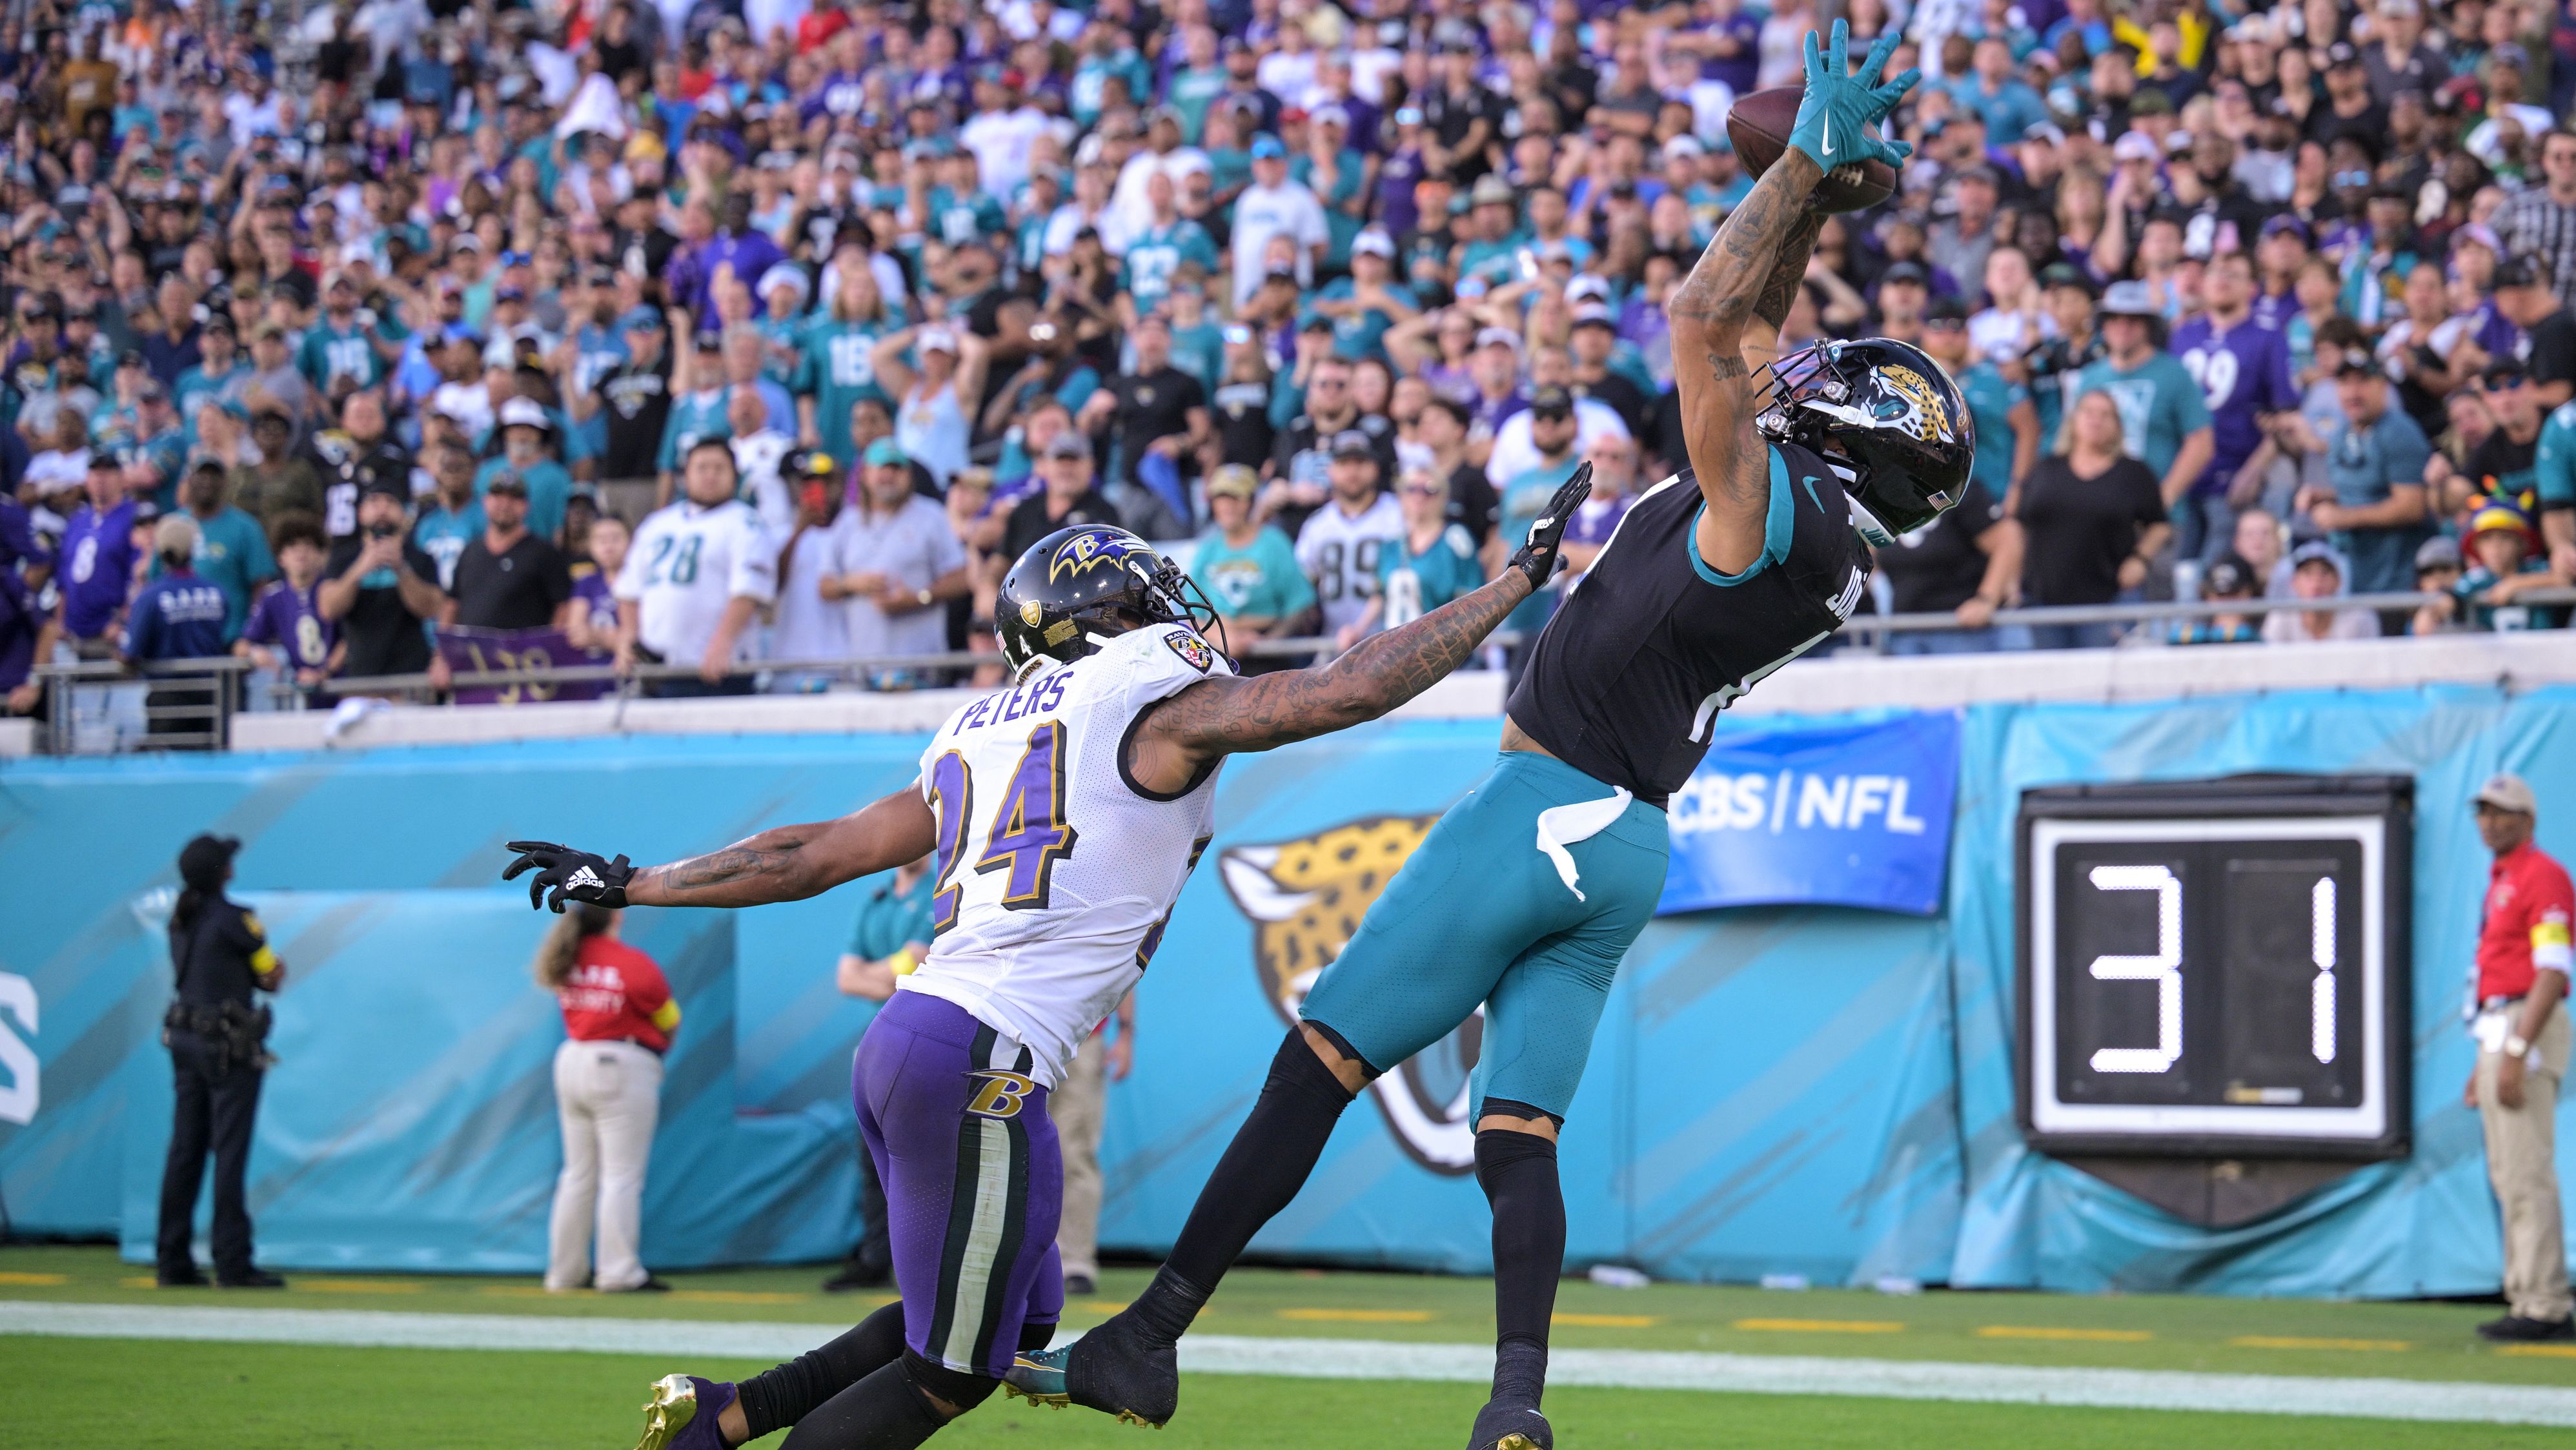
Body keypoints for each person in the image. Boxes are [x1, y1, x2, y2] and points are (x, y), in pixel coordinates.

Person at [1015, 31, 1936, 1450]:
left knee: (1313, 1059)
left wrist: (1812, 159)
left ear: (1847, 430)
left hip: (1543, 808)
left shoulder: (1766, 500)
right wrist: (1807, 200)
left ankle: (1149, 1337)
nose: (1798, 369)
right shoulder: (1819, 539)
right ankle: (1515, 1405)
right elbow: (1749, 330)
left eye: (1826, 379)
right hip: (1624, 845)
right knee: (1519, 1137)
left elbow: (1706, 321)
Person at [501, 487, 1584, 1450]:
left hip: (924, 1041)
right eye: (1141, 594)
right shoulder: (1148, 704)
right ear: (1103, 622)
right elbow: (1341, 691)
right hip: (979, 1057)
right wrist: (1515, 583)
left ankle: (730, 1412)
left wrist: (637, 880)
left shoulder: (982, 729)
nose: (1167, 607)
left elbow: (814, 854)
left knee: (1002, 1323)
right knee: (952, 1371)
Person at [2463, 772, 2573, 1343]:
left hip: (2522, 1024)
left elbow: (2551, 972)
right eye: (2482, 811)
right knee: (2507, 1172)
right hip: (2500, 1026)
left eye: (2501, 812)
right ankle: (2525, 1292)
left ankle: (2545, 1303)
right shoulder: (2501, 877)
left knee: (2526, 1170)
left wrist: (2514, 1050)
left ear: (2527, 820)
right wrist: (2484, 1060)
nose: (2488, 821)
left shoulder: (2543, 876)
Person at [156, 833, 287, 1289]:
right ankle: (233, 1262)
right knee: (228, 1154)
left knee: (184, 1152)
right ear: (224, 873)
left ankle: (172, 1260)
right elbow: (270, 975)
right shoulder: (237, 921)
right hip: (228, 1048)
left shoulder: (180, 920)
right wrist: (272, 970)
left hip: (184, 1040)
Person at [534, 902, 678, 1294]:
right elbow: (669, 1018)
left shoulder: (566, 957)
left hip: (572, 1060)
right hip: (620, 1062)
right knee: (621, 1176)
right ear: (618, 916)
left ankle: (564, 1273)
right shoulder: (633, 963)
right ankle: (618, 1272)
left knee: (577, 1175)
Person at [820, 855, 938, 1294]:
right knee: (872, 1156)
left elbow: (918, 966)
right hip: (880, 1040)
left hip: (925, 1039)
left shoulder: (940, 892)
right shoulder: (876, 900)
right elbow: (845, 979)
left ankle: (926, 1261)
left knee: (923, 1156)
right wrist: (889, 975)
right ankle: (876, 1258)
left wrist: (879, 973)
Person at [616, 438, 778, 697]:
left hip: (715, 669)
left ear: (735, 476)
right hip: (654, 668)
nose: (710, 476)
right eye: (702, 468)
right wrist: (629, 638)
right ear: (685, 476)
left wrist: (723, 642)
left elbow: (748, 591)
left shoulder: (746, 523)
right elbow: (629, 591)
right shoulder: (657, 524)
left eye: (719, 468)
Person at [2282, 343, 2435, 611]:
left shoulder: (2400, 432)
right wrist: (2323, 497)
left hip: (2397, 582)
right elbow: (2361, 490)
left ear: (2383, 387)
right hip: (2356, 577)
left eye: (2363, 382)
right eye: (2344, 383)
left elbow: (2412, 507)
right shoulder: (2342, 434)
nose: (2353, 392)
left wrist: (2343, 518)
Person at [2014, 389, 2168, 649]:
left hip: (2107, 599)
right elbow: (2018, 526)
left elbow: (2160, 525)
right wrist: (2012, 579)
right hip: (2042, 600)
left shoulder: (2133, 473)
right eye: (2088, 412)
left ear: (2118, 426)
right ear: (2073, 420)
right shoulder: (2046, 468)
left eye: (2105, 415)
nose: (2096, 420)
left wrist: (2140, 560)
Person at [829, 439, 970, 686]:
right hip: (862, 670)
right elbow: (824, 585)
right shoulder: (848, 522)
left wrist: (918, 598)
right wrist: (851, 584)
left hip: (921, 669)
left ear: (909, 475)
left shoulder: (931, 515)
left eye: (896, 469)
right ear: (864, 475)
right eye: (882, 468)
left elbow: (962, 577)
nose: (889, 475)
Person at [319, 479, 447, 686]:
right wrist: (360, 569)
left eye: (390, 502)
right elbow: (328, 609)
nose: (382, 508)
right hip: (360, 681)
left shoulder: (420, 558)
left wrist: (401, 568)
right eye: (374, 502)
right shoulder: (343, 558)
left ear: (403, 515)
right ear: (360, 513)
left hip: (410, 679)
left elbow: (431, 608)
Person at [1051, 983, 1134, 1301]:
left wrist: (1125, 1034)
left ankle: (1075, 1263)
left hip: (1082, 1037)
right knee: (1013, 1151)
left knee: (1075, 1153)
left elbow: (1128, 956)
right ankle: (1015, 1260)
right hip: (1017, 1032)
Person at [123, 514, 234, 745]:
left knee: (170, 771)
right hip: (212, 696)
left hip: (168, 700)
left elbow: (132, 653)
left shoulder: (151, 597)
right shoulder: (218, 593)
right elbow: (227, 637)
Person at [1188, 465, 1316, 663]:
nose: (1228, 506)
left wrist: (1267, 642)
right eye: (1222, 498)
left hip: (1268, 654)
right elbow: (1191, 613)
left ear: (1251, 502)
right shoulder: (1207, 549)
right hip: (1217, 649)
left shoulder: (1274, 544)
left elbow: (1298, 606)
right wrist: (1221, 640)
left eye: (1236, 498)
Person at [1294, 430, 1405, 645]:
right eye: (1344, 463)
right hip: (1334, 642)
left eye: (1360, 462)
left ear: (1375, 468)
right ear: (1330, 470)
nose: (1353, 471)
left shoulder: (1398, 514)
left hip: (1393, 640)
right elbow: (1302, 582)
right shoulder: (1317, 525)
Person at [238, 514, 340, 703]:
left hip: (339, 691)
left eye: (309, 545)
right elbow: (242, 645)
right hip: (298, 696)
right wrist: (256, 653)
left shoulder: (333, 590)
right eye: (292, 545)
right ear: (280, 557)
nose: (301, 552)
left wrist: (324, 672)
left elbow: (349, 640)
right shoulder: (273, 597)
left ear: (321, 555)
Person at [2261, 540, 2380, 643]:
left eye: (2325, 572)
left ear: (2338, 581)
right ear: (2294, 582)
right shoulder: (2281, 617)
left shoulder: (2360, 618)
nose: (2317, 580)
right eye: (2308, 573)